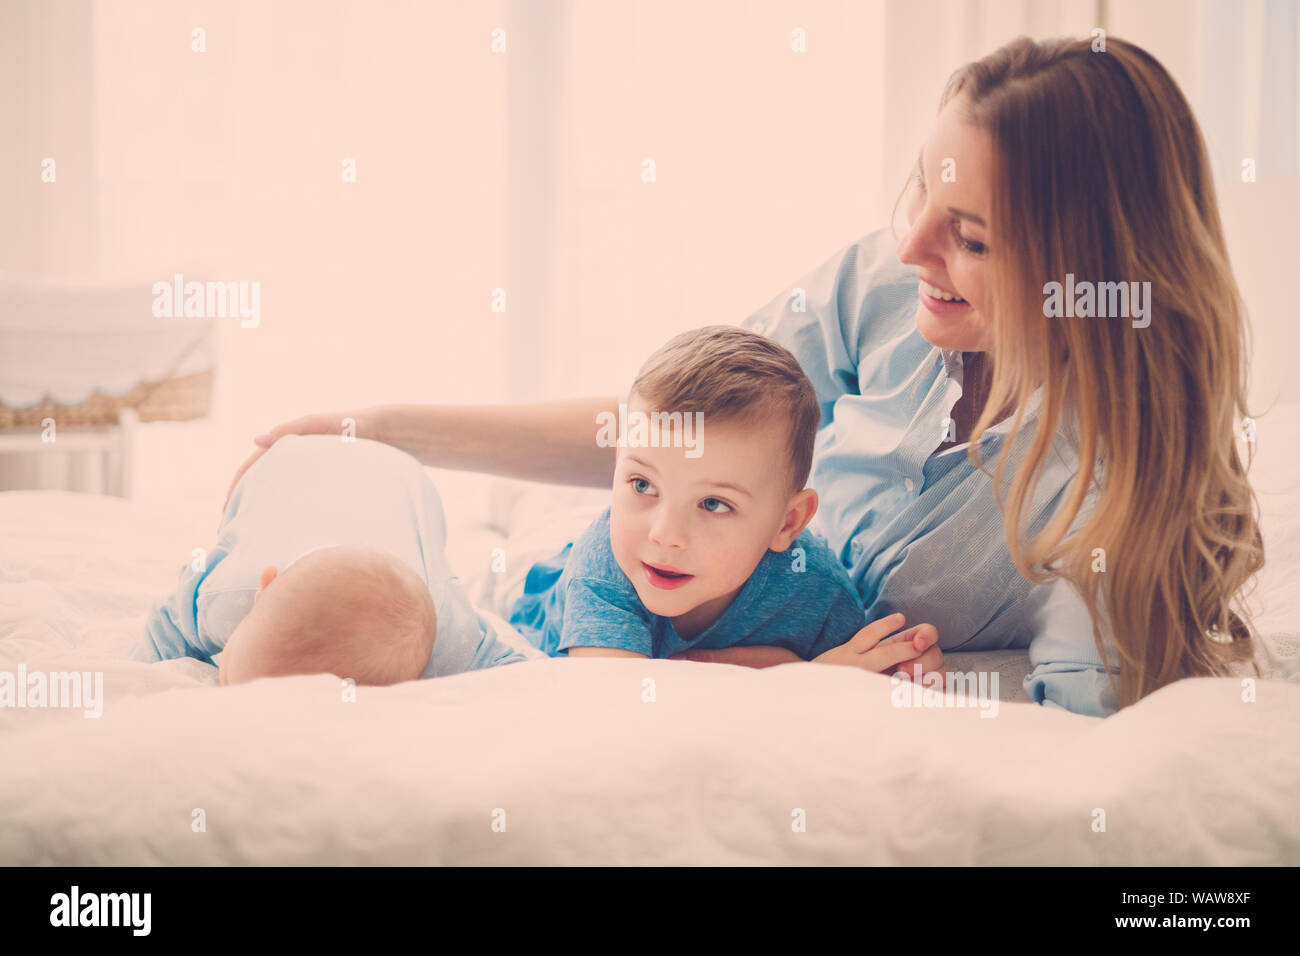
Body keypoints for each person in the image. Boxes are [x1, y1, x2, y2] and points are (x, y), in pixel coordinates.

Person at [229, 35, 1263, 716]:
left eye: (972, 237)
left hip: (627, 669)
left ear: (1083, 270)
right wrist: (387, 422)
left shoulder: (1106, 498)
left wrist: (803, 688)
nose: (909, 247)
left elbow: (1053, 715)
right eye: (920, 195)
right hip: (587, 605)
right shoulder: (882, 292)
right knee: (355, 511)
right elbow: (671, 433)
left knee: (388, 618)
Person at [509, 324, 939, 670]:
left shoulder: (818, 591)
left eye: (713, 504)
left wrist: (905, 668)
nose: (665, 534)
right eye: (642, 484)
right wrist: (791, 672)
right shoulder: (604, 570)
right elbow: (624, 715)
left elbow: (865, 672)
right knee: (526, 527)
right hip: (540, 592)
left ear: (787, 523)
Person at [133, 435, 539, 684]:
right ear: (264, 588)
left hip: (400, 474)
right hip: (282, 464)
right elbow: (168, 620)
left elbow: (515, 675)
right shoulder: (225, 599)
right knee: (235, 528)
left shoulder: (447, 636)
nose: (223, 680)